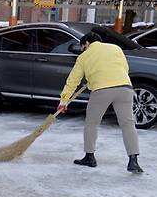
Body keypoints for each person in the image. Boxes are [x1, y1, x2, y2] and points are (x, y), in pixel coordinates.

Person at [59, 32, 143, 173]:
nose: (82, 50)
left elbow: (73, 80)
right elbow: (124, 68)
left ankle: (89, 157)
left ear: (86, 43)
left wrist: (64, 100)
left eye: (82, 47)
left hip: (102, 90)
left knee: (92, 123)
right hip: (125, 88)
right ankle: (133, 160)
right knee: (128, 124)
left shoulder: (84, 56)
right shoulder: (116, 48)